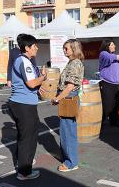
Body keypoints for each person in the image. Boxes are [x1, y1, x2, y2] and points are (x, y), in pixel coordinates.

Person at [7, 34, 46, 180]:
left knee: (24, 136)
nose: (36, 48)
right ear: (27, 48)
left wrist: (36, 87)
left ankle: (22, 164)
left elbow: (27, 84)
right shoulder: (24, 61)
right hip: (24, 105)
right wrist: (43, 77)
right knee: (28, 138)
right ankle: (24, 171)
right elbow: (31, 83)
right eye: (34, 46)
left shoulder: (22, 60)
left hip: (20, 103)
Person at [50, 39, 84, 172]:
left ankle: (71, 162)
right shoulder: (72, 62)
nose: (64, 50)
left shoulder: (75, 63)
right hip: (68, 98)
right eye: (64, 48)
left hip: (68, 98)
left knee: (67, 132)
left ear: (74, 49)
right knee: (67, 131)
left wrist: (57, 98)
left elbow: (70, 86)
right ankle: (69, 159)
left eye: (66, 48)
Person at [98, 40, 119, 127]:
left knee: (116, 104)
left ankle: (114, 121)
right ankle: (101, 122)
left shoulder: (114, 57)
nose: (114, 46)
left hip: (116, 84)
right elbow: (109, 58)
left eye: (114, 44)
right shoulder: (103, 54)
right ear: (107, 46)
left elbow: (116, 67)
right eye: (112, 45)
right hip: (107, 83)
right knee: (107, 104)